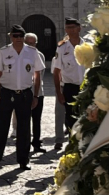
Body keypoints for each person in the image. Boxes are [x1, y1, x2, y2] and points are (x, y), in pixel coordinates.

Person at [0, 24, 42, 170]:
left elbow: (37, 76)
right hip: (7, 93)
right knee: (1, 127)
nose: (18, 39)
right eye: (15, 36)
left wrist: (36, 96)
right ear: (10, 36)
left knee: (24, 128)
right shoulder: (4, 52)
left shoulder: (32, 52)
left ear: (24, 37)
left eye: (21, 36)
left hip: (25, 93)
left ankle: (23, 160)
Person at [52, 17, 86, 150]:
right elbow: (56, 72)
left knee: (85, 116)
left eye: (73, 27)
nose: (71, 31)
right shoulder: (62, 48)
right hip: (70, 87)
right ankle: (73, 144)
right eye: (68, 28)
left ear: (79, 28)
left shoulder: (87, 46)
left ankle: (84, 143)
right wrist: (59, 93)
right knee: (70, 118)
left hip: (85, 87)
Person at [24, 33, 49, 153]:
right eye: (27, 43)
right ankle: (24, 143)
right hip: (24, 92)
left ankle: (36, 142)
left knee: (36, 119)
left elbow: (40, 76)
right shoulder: (20, 55)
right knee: (24, 119)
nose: (30, 45)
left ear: (36, 43)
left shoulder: (40, 56)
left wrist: (36, 95)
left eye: (32, 43)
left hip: (38, 91)